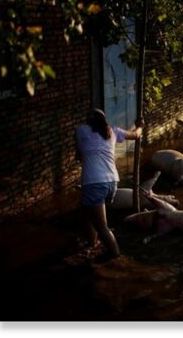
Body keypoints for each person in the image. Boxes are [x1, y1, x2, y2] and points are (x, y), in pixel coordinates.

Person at [75, 108, 143, 258]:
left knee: (101, 226)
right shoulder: (112, 131)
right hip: (112, 182)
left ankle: (116, 256)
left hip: (94, 183)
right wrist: (139, 125)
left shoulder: (80, 130)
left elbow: (78, 156)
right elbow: (136, 135)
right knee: (88, 213)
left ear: (88, 121)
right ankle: (92, 243)